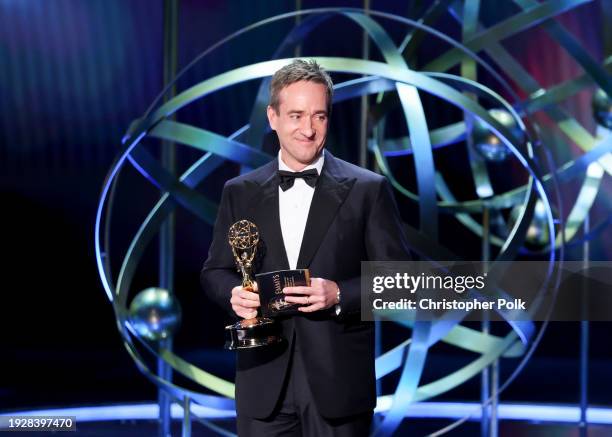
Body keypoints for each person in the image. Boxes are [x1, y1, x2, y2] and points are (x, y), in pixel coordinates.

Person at [201, 59, 411, 437]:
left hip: (338, 386)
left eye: (319, 116)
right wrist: (234, 294)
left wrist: (341, 294)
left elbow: (400, 278)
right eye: (296, 115)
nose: (308, 130)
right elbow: (215, 271)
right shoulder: (240, 192)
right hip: (262, 383)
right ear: (272, 117)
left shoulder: (367, 189)